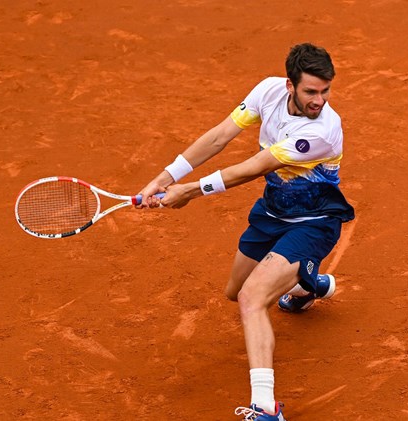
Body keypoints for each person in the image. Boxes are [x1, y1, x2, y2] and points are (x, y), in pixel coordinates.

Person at [136, 43, 354, 420]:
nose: (320, 100)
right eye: (310, 92)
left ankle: (266, 408)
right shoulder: (267, 90)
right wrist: (164, 178)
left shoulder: (323, 130)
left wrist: (189, 191)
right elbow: (220, 136)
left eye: (325, 91)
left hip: (315, 222)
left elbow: (254, 166)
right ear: (290, 85)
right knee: (234, 291)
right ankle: (308, 284)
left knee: (252, 297)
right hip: (272, 212)